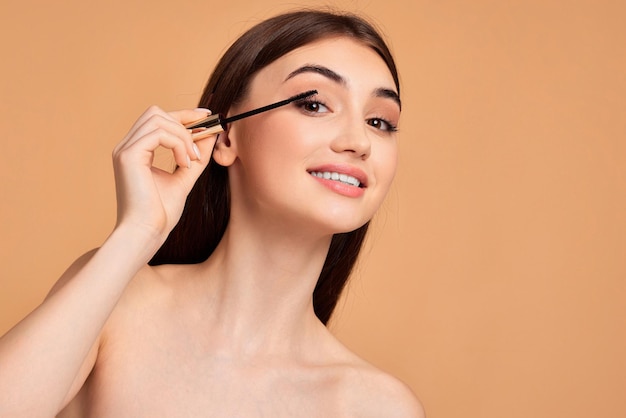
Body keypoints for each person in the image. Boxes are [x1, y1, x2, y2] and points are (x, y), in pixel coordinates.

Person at [0, 9, 424, 417]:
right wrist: (138, 232)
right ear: (224, 138)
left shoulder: (377, 407)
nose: (359, 142)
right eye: (313, 104)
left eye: (380, 122)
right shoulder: (115, 302)